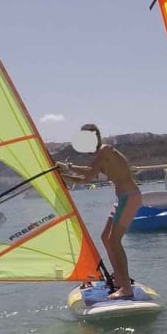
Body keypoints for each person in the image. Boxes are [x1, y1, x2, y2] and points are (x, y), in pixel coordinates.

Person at [60, 124, 141, 299]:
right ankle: (120, 280)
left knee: (114, 241)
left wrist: (64, 175)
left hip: (130, 197)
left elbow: (88, 176)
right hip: (122, 199)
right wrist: (67, 169)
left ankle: (125, 287)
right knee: (106, 237)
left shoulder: (105, 150)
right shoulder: (102, 156)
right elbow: (90, 174)